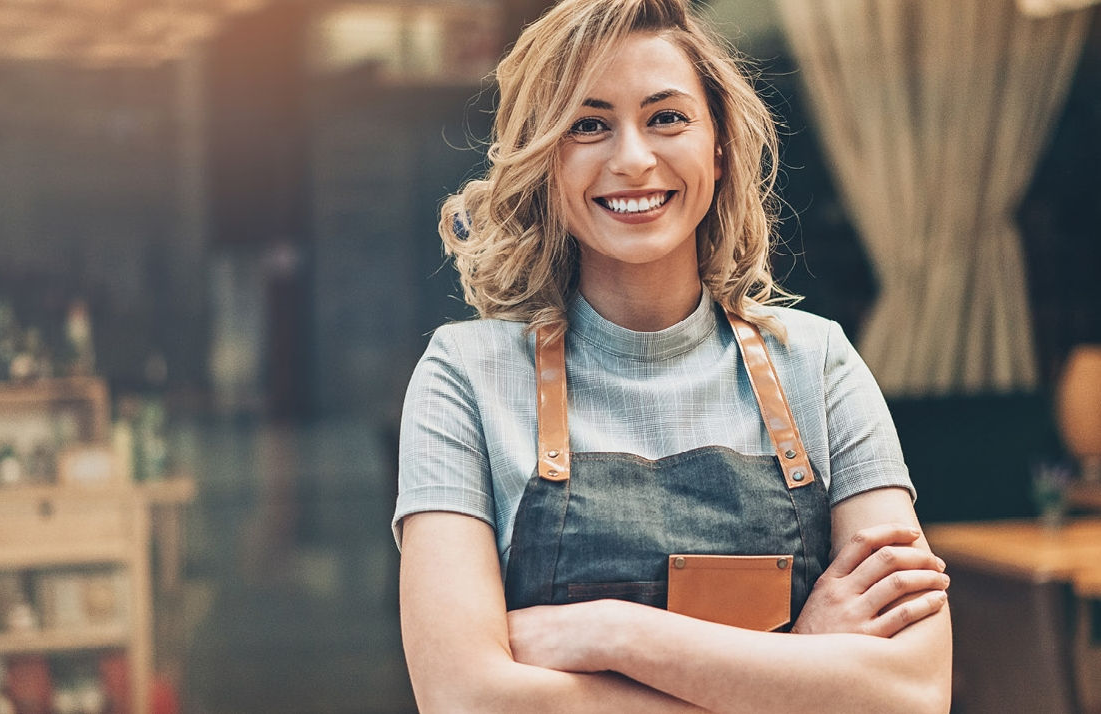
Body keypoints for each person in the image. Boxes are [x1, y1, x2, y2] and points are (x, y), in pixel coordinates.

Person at [394, 0, 953, 711]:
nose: (632, 159)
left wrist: (611, 632)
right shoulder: (466, 376)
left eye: (667, 118)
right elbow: (467, 699)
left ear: (719, 148)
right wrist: (801, 671)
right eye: (588, 125)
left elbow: (915, 690)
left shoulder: (819, 363)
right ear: (544, 161)